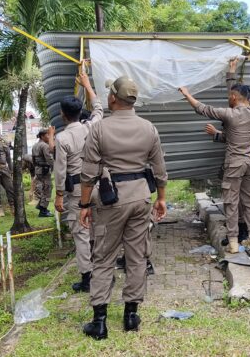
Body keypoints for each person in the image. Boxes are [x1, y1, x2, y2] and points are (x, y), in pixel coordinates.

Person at [78, 75, 168, 340]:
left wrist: (84, 204)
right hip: (141, 197)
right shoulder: (149, 128)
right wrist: (161, 198)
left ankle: (100, 322)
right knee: (137, 256)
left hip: (111, 200)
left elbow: (88, 173)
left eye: (109, 93)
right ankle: (131, 316)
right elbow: (159, 168)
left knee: (103, 258)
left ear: (114, 98)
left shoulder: (99, 129)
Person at [179, 66, 250, 254]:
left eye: (230, 95)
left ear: (234, 97)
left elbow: (202, 108)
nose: (228, 98)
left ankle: (234, 242)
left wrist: (187, 93)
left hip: (234, 164)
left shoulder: (229, 114)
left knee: (231, 202)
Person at [54, 68, 103, 293]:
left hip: (76, 190)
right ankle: (103, 269)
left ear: (64, 115)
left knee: (80, 231)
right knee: (99, 227)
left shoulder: (62, 138)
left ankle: (87, 277)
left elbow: (60, 170)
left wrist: (58, 195)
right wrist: (87, 84)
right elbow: (99, 110)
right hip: (98, 185)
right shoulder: (91, 126)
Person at [32, 126, 55, 217]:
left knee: (44, 188)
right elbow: (49, 159)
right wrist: (55, 167)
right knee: (48, 189)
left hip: (38, 170)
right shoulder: (45, 146)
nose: (49, 136)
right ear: (42, 136)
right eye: (47, 134)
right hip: (45, 170)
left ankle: (41, 206)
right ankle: (43, 210)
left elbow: (33, 159)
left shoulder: (35, 145)